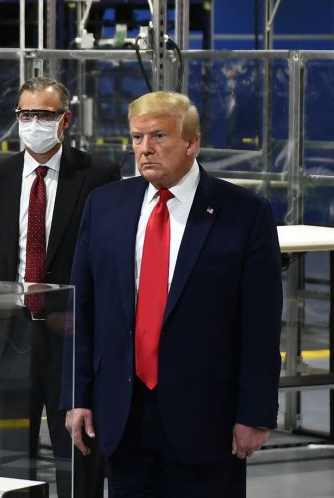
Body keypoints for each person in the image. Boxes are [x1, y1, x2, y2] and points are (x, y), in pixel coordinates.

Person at [63, 91, 283, 497]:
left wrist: (255, 413)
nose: (145, 149)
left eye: (159, 137)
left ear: (192, 143)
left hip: (207, 418)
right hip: (123, 413)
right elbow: (84, 310)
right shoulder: (105, 205)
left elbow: (261, 324)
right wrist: (77, 396)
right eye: (136, 138)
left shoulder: (244, 212)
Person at [0, 76, 120, 496]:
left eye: (44, 114)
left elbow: (106, 257)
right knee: (9, 466)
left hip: (71, 338)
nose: (33, 122)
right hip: (9, 336)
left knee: (80, 461)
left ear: (65, 120)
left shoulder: (98, 175)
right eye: (26, 114)